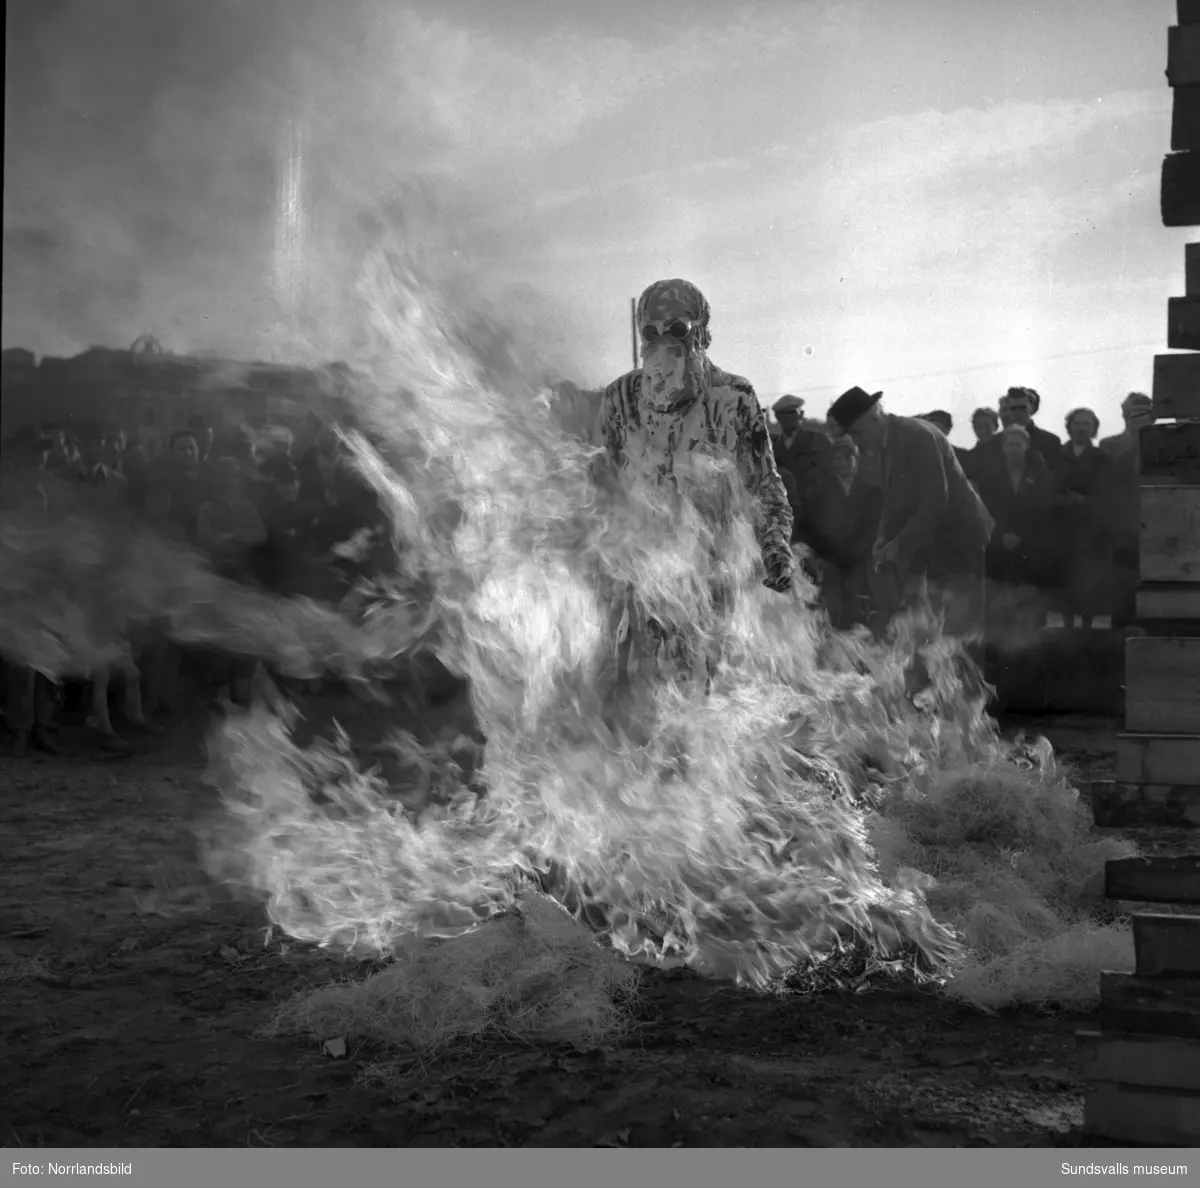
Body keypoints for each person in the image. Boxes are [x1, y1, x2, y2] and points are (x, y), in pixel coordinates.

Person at [594, 278, 794, 711]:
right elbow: (605, 486)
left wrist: (774, 540)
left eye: (678, 330)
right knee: (636, 695)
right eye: (650, 333)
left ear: (701, 332)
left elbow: (762, 480)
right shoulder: (620, 398)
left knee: (703, 693)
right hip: (639, 568)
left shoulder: (732, 397)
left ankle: (702, 764)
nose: (663, 343)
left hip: (711, 570)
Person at [826, 386, 993, 637]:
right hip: (934, 540)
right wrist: (882, 544)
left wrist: (897, 546)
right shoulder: (883, 445)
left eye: (857, 433)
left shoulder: (916, 435)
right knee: (933, 620)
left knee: (959, 626)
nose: (857, 442)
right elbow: (893, 505)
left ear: (873, 418)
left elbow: (935, 501)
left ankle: (962, 676)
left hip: (961, 537)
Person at [975, 425, 1057, 631]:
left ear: (1026, 446)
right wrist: (1003, 533)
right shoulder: (989, 477)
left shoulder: (1042, 476)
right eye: (1009, 444)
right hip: (998, 546)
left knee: (1030, 602)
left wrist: (1021, 534)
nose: (1013, 448)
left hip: (1030, 546)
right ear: (1003, 448)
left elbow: (1044, 510)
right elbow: (985, 510)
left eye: (1018, 444)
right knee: (999, 602)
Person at [807, 436, 882, 629]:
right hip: (830, 557)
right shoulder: (821, 491)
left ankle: (847, 641)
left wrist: (859, 550)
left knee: (854, 602)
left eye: (848, 458)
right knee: (829, 601)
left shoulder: (871, 491)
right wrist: (824, 553)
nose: (843, 464)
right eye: (838, 459)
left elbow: (874, 525)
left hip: (860, 558)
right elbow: (813, 525)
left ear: (856, 460)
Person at [1100, 392, 1155, 629]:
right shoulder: (1110, 446)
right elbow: (1107, 488)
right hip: (1123, 529)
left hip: (1154, 526)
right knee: (1122, 589)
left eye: (1146, 414)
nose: (1140, 419)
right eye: (1135, 414)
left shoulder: (1165, 447)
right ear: (1125, 416)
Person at [1056, 408, 1112, 628]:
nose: (1081, 428)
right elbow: (1048, 489)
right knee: (1065, 579)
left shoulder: (1103, 459)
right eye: (1077, 423)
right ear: (1069, 427)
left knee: (1088, 580)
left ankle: (1087, 628)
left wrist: (1085, 502)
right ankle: (1067, 626)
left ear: (1094, 428)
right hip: (1063, 528)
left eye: (1086, 424)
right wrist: (1063, 500)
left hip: (1091, 530)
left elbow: (1108, 493)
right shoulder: (1056, 455)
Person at [770, 394, 831, 549]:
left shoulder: (818, 441)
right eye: (784, 416)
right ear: (778, 418)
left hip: (814, 516)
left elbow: (830, 476)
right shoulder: (772, 446)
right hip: (785, 515)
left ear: (801, 415)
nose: (789, 420)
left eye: (793, 414)